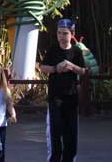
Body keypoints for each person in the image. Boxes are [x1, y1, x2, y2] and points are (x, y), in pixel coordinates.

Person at [39, 18, 88, 162]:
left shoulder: (77, 51)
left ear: (72, 34)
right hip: (55, 99)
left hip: (71, 98)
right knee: (55, 135)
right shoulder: (53, 49)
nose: (61, 36)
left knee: (71, 136)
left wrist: (71, 66)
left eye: (65, 33)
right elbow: (42, 67)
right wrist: (55, 68)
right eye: (59, 33)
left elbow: (83, 71)